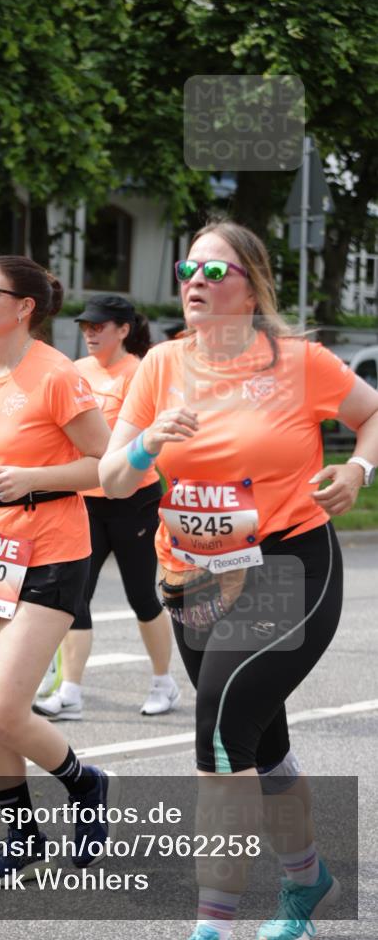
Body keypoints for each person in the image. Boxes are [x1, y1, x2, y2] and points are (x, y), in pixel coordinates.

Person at [98, 222, 378, 940]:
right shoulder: (159, 365)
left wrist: (356, 468)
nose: (194, 278)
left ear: (249, 285)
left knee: (220, 735)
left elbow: (370, 412)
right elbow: (111, 476)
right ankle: (307, 880)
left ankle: (211, 926)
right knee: (260, 742)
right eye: (187, 265)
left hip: (284, 565)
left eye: (213, 270)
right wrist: (145, 443)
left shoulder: (298, 362)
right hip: (187, 578)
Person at [0, 255, 118, 881]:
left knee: (6, 708)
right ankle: (21, 833)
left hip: (52, 553)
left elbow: (107, 466)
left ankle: (85, 783)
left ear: (25, 308)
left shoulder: (57, 376)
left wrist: (33, 479)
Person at [33, 294, 179, 720]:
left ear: (123, 330)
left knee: (142, 597)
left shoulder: (140, 372)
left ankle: (163, 683)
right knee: (76, 598)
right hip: (87, 501)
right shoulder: (75, 371)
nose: (90, 334)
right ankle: (72, 691)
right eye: (85, 326)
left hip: (134, 500)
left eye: (99, 326)